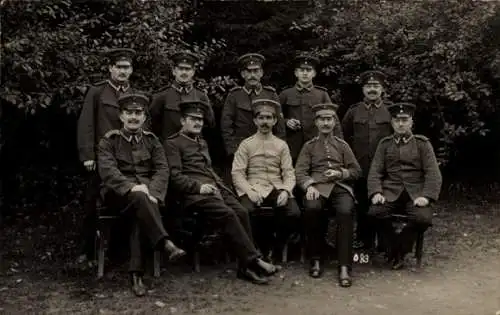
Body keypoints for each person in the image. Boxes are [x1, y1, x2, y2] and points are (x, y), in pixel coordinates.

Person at [165, 99, 282, 285]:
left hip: (214, 188)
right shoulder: (173, 144)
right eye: (192, 119)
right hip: (193, 195)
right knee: (227, 214)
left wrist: (221, 186)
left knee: (242, 212)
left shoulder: (201, 142)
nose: (197, 123)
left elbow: (208, 170)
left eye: (200, 120)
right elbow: (174, 176)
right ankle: (255, 260)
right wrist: (198, 187)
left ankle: (245, 268)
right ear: (182, 121)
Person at [97, 93, 185, 297]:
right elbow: (108, 171)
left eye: (138, 113)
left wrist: (154, 193)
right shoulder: (109, 141)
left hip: (146, 198)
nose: (134, 117)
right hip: (116, 196)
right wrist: (131, 187)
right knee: (139, 200)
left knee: (140, 212)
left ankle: (136, 276)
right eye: (129, 113)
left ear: (144, 117)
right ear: (121, 116)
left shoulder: (152, 141)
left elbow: (163, 170)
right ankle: (165, 243)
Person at [76, 48, 137, 265]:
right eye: (118, 67)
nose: (122, 71)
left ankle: (119, 252)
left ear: (131, 70)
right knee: (92, 204)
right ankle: (86, 251)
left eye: (126, 67)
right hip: (101, 158)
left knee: (124, 201)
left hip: (127, 160)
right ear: (110, 68)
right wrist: (87, 155)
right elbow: (87, 124)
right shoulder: (97, 92)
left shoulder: (134, 95)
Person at [367, 102, 442, 269]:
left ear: (411, 122)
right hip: (390, 191)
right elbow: (375, 172)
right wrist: (376, 193)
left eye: (404, 120)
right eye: (396, 120)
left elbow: (433, 173)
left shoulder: (422, 144)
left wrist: (426, 196)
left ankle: (400, 249)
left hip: (416, 193)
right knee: (374, 213)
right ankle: (393, 247)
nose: (400, 124)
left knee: (422, 219)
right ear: (392, 122)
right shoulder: (385, 144)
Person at [295, 103, 361, 287]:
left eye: (329, 119)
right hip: (317, 187)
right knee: (312, 208)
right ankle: (316, 258)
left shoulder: (342, 145)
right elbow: (299, 172)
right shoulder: (309, 147)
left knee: (346, 211)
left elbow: (356, 170)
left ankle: (345, 265)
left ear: (334, 122)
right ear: (316, 122)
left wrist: (341, 173)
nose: (325, 123)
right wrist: (308, 186)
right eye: (322, 119)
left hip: (340, 188)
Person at [232, 99, 300, 261]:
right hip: (253, 187)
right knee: (246, 212)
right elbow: (237, 173)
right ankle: (256, 250)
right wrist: (249, 191)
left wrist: (285, 190)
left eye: (269, 118)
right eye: (261, 118)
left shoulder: (281, 145)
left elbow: (289, 172)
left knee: (294, 213)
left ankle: (277, 248)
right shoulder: (246, 145)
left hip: (276, 187)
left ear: (275, 121)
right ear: (255, 121)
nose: (265, 122)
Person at [341, 70, 393, 250]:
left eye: (376, 86)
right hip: (360, 166)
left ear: (382, 89)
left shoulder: (391, 110)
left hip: (385, 169)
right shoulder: (353, 111)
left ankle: (384, 242)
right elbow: (343, 138)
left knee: (382, 203)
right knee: (362, 204)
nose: (372, 89)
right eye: (368, 86)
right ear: (363, 89)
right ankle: (364, 241)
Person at [220, 53, 286, 185]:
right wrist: (233, 151)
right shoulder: (234, 95)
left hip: (268, 149)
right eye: (248, 72)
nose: (252, 75)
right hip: (240, 149)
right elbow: (226, 125)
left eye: (256, 71)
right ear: (243, 74)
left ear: (261, 73)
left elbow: (280, 126)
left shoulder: (271, 94)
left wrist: (278, 149)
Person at [279, 54, 343, 163]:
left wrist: (339, 145)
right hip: (292, 146)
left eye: (308, 70)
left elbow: (334, 120)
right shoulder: (286, 94)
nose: (305, 73)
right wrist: (286, 122)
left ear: (314, 74)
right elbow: (275, 117)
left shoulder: (321, 94)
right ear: (296, 73)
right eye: (301, 70)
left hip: (317, 145)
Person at [150, 50, 215, 141]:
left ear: (193, 72)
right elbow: (152, 125)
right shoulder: (161, 96)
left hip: (194, 149)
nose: (184, 72)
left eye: (187, 69)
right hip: (168, 149)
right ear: (174, 71)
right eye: (181, 69)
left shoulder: (201, 96)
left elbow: (210, 124)